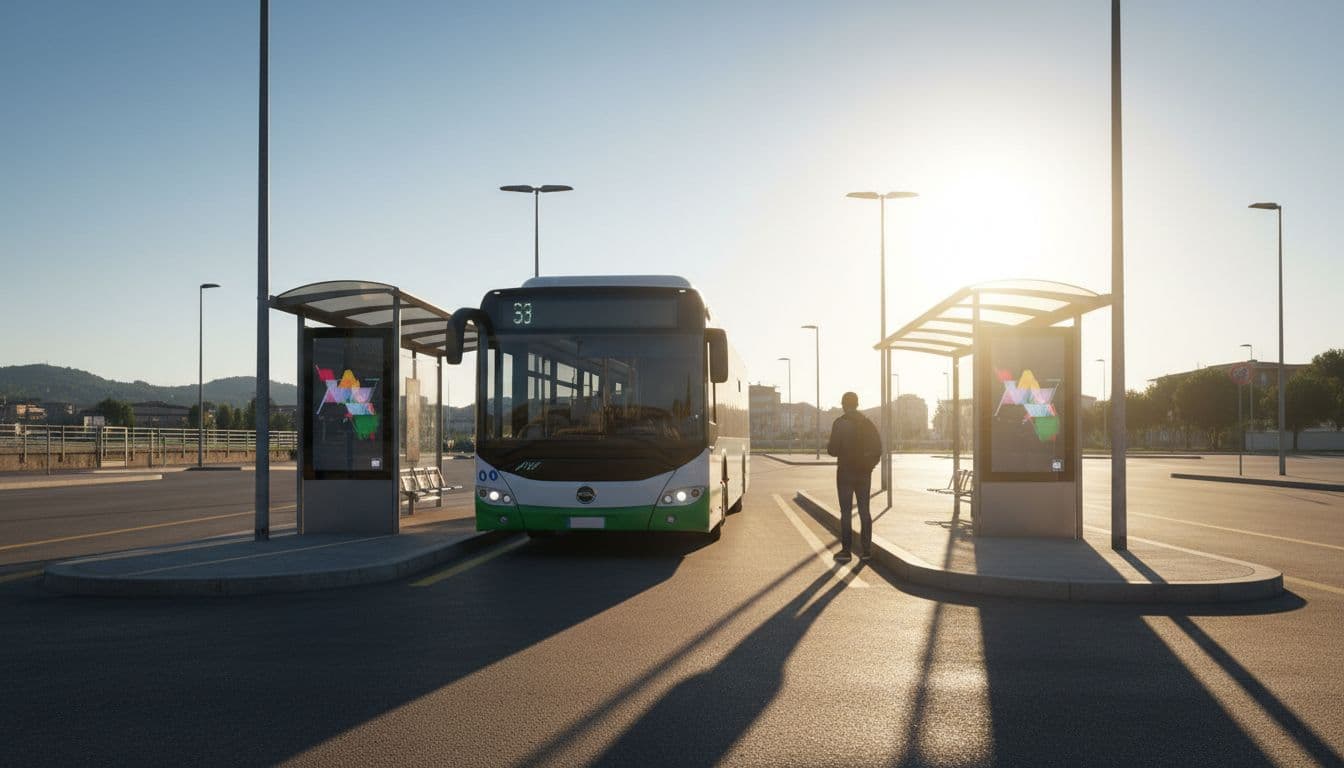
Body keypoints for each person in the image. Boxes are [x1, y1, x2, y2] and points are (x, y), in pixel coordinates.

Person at [826, 391, 882, 562]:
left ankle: (846, 551)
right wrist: (869, 467)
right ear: (857, 404)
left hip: (845, 474)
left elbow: (832, 450)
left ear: (843, 404)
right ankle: (866, 551)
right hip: (864, 474)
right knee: (865, 511)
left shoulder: (840, 423)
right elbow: (878, 449)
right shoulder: (867, 423)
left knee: (846, 513)